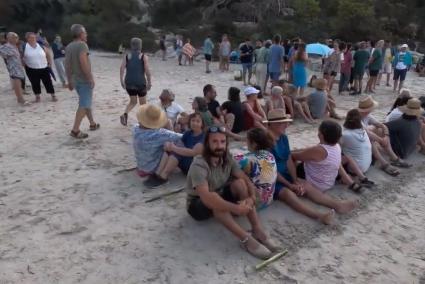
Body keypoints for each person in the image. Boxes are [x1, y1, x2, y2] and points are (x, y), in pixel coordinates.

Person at [186, 125, 280, 259]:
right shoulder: (199, 164)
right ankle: (246, 240)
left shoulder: (226, 157)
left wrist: (252, 197)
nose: (219, 146)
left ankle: (257, 229)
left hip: (218, 194)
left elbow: (243, 177)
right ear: (207, 143)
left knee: (239, 183)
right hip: (197, 204)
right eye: (215, 142)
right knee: (216, 201)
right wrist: (235, 208)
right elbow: (206, 197)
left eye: (222, 142)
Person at [267, 109, 357, 225]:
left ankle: (337, 205)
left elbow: (288, 159)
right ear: (271, 125)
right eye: (281, 123)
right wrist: (289, 184)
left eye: (285, 122)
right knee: (287, 194)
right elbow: (271, 169)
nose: (285, 125)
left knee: (304, 185)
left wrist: (294, 180)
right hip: (272, 176)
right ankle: (318, 216)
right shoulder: (266, 141)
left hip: (284, 172)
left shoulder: (283, 137)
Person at [292, 120, 371, 193]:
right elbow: (312, 150)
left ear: (321, 135)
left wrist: (292, 153)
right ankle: (351, 182)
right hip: (329, 182)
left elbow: (295, 156)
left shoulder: (319, 150)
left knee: (292, 161)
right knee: (335, 162)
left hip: (317, 184)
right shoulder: (336, 146)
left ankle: (295, 181)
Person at [144, 112, 205, 188]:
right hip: (186, 161)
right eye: (193, 120)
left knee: (176, 152)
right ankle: (158, 173)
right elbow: (180, 143)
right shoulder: (188, 133)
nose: (194, 123)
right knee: (171, 149)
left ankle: (164, 176)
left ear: (202, 124)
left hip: (194, 166)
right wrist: (170, 146)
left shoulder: (203, 137)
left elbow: (193, 153)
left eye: (198, 121)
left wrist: (174, 148)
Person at [65, 24, 99, 139]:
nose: (86, 34)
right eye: (85, 33)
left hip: (76, 81)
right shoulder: (82, 45)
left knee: (86, 102)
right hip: (84, 80)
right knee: (84, 104)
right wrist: (90, 78)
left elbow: (67, 65)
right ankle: (75, 130)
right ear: (80, 34)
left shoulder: (69, 46)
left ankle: (92, 124)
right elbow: (83, 62)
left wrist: (69, 80)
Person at [357, 96, 411, 169]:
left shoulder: (367, 115)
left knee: (379, 129)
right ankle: (383, 163)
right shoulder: (357, 118)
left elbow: (382, 125)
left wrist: (386, 135)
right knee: (370, 137)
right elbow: (366, 133)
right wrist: (381, 140)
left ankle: (393, 157)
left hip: (365, 137)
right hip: (358, 141)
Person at [342, 109, 399, 176]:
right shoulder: (363, 131)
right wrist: (382, 140)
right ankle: (385, 162)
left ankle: (348, 178)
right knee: (369, 140)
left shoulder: (345, 134)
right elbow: (373, 131)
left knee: (337, 153)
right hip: (368, 165)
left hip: (353, 169)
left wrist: (383, 138)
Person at [133, 104, 182, 177]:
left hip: (141, 167)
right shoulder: (160, 134)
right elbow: (181, 137)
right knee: (175, 144)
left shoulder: (135, 128)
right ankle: (163, 175)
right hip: (153, 169)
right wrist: (173, 129)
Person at [234, 128, 277, 210]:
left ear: (254, 144)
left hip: (255, 203)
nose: (246, 143)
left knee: (235, 179)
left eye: (247, 140)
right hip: (268, 200)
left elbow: (232, 161)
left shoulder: (247, 160)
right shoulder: (270, 155)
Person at [119, 37, 152, 126]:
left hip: (129, 82)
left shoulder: (127, 56)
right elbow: (147, 71)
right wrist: (149, 82)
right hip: (140, 83)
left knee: (133, 101)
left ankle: (125, 114)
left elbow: (122, 68)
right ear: (140, 46)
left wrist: (121, 80)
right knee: (143, 104)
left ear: (131, 46)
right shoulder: (143, 56)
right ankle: (142, 122)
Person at [23, 32, 56, 102]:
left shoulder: (40, 46)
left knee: (48, 82)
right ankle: (37, 97)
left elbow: (48, 54)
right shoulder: (24, 47)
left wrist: (50, 63)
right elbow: (21, 57)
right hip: (31, 68)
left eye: (34, 37)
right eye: (31, 38)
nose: (33, 39)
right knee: (35, 83)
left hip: (44, 67)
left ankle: (53, 95)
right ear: (27, 39)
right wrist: (24, 65)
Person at [0, 32, 29, 105]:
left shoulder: (15, 46)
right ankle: (20, 99)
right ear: (8, 38)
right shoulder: (5, 46)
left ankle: (20, 98)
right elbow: (4, 55)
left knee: (19, 82)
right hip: (13, 67)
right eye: (14, 37)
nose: (16, 38)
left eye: (16, 37)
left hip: (18, 66)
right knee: (17, 82)